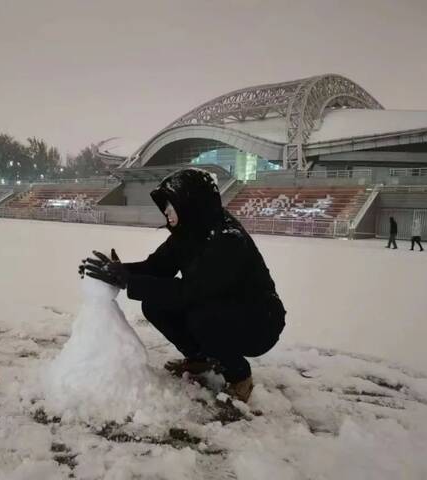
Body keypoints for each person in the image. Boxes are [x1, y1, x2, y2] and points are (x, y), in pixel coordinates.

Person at [80, 168, 286, 403]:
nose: (166, 211)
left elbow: (189, 293)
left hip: (259, 321)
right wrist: (116, 270)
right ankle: (199, 359)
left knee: (202, 316)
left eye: (170, 204)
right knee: (155, 304)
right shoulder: (189, 232)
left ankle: (239, 376)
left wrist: (127, 280)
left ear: (190, 202)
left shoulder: (227, 240)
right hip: (220, 306)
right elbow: (157, 267)